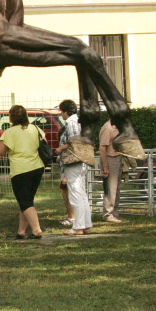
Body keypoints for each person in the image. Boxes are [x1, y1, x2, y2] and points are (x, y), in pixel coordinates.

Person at [0, 104, 44, 240]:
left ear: (11, 117)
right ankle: (21, 231)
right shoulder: (34, 128)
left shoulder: (9, 133)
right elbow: (42, 142)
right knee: (27, 201)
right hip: (37, 168)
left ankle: (36, 230)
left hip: (21, 170)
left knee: (25, 201)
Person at [55, 99, 92, 235]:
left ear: (65, 111)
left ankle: (78, 227)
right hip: (81, 161)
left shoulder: (71, 122)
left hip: (73, 162)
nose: (61, 115)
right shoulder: (78, 121)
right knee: (81, 194)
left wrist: (60, 149)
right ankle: (86, 224)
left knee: (75, 195)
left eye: (61, 112)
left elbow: (73, 142)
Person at [99, 118, 123, 223]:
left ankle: (114, 212)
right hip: (110, 159)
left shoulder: (118, 126)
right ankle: (107, 214)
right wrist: (105, 166)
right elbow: (102, 148)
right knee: (110, 188)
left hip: (118, 158)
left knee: (117, 188)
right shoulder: (107, 128)